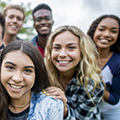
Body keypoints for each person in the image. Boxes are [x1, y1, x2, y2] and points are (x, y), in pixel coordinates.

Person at [44, 25, 104, 120]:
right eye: (57, 48)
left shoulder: (93, 84)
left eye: (71, 48)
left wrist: (64, 109)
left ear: (82, 52)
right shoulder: (43, 76)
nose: (62, 54)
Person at [0, 40, 63, 120]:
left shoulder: (51, 107)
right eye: (10, 67)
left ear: (37, 74)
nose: (17, 78)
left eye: (27, 70)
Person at [87, 14, 120, 120]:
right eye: (101, 29)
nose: (106, 34)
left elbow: (114, 99)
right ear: (94, 31)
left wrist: (96, 86)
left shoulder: (118, 62)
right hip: (87, 109)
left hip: (111, 111)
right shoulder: (83, 56)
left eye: (113, 31)